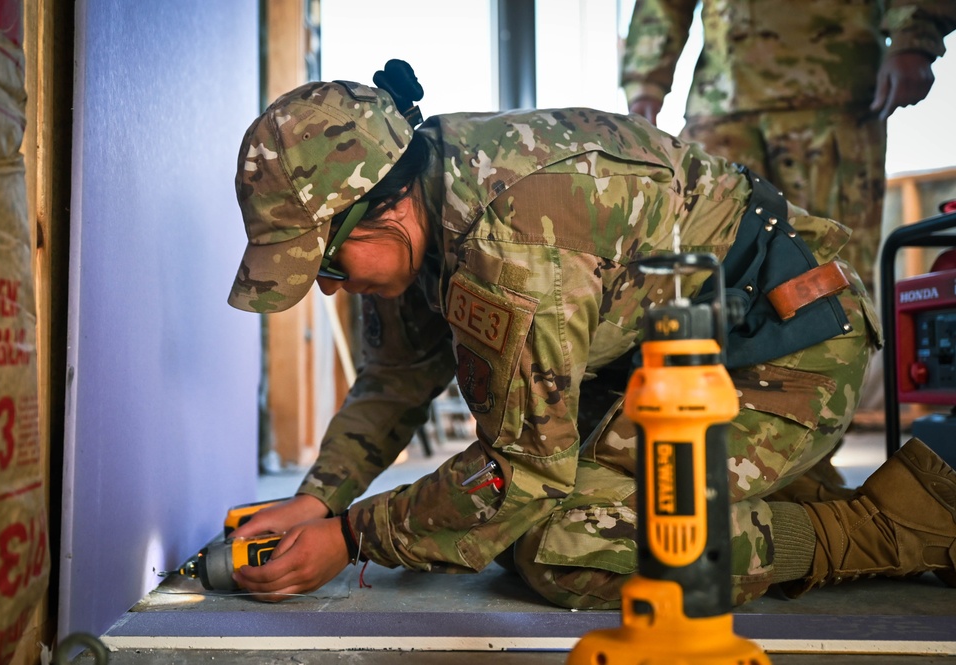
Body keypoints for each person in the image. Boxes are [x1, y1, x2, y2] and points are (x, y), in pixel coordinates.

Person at [225, 61, 956, 609]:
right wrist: (319, 499)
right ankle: (786, 492)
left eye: (324, 260)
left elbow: (523, 473)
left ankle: (882, 526)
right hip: (671, 361)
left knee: (563, 545)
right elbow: (394, 380)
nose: (325, 285)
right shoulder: (423, 196)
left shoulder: (513, 241)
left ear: (382, 208)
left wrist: (354, 537)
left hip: (784, 355)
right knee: (508, 523)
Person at [620, 0, 956, 293]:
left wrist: (916, 37)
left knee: (829, 277)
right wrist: (645, 82)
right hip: (721, 105)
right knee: (702, 276)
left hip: (830, 95)